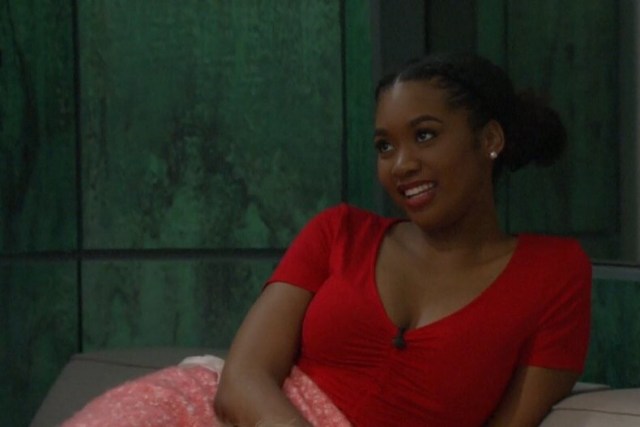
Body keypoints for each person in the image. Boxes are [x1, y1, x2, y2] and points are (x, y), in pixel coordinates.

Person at [63, 52, 591, 427]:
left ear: (489, 139)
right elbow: (243, 378)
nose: (402, 164)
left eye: (425, 135)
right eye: (384, 146)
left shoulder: (554, 273)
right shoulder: (341, 232)